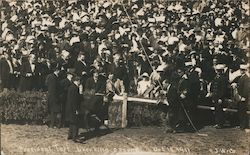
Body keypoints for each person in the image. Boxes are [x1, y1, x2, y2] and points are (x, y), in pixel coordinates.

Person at [210, 64, 228, 129]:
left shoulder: (223, 78)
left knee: (219, 110)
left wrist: (220, 97)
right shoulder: (216, 77)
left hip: (220, 97)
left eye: (219, 70)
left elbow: (223, 89)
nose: (217, 72)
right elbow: (213, 86)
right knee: (216, 109)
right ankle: (217, 122)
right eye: (217, 70)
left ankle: (220, 123)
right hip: (215, 96)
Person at [65, 76, 81, 141]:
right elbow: (75, 100)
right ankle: (75, 137)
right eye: (79, 81)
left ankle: (70, 135)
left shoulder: (70, 87)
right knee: (75, 122)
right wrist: (76, 109)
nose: (80, 82)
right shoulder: (75, 88)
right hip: (74, 107)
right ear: (77, 81)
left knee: (72, 122)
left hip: (69, 107)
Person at [45, 62, 61, 128]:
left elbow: (46, 84)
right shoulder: (54, 78)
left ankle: (51, 124)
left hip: (50, 95)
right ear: (57, 71)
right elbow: (54, 88)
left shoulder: (49, 76)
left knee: (52, 110)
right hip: (54, 96)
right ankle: (53, 124)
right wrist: (56, 97)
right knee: (54, 111)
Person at [237, 64, 250, 131]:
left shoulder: (246, 78)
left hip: (243, 97)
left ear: (245, 70)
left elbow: (246, 89)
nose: (241, 71)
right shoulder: (241, 77)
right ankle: (241, 125)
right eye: (240, 70)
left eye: (242, 70)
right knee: (240, 111)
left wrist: (244, 96)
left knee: (243, 112)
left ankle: (243, 126)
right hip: (239, 97)